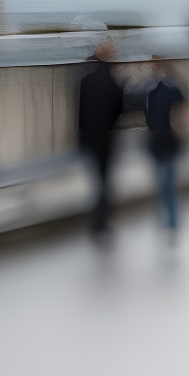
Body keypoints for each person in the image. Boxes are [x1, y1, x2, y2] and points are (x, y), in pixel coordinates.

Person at [75, 39, 126, 239]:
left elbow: (80, 113)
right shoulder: (114, 82)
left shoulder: (86, 81)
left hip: (91, 138)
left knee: (97, 180)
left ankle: (99, 220)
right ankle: (102, 220)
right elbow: (119, 110)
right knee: (105, 180)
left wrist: (82, 139)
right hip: (107, 139)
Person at [139, 56, 189, 237]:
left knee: (163, 183)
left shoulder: (150, 89)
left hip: (159, 142)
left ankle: (168, 221)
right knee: (168, 183)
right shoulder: (174, 87)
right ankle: (171, 221)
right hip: (168, 142)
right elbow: (183, 112)